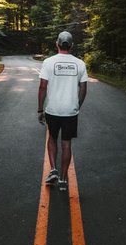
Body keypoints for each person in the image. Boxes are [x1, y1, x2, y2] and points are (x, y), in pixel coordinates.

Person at [37, 31, 88, 191]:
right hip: (70, 111)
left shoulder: (48, 62)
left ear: (57, 44)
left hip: (53, 109)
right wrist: (76, 106)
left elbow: (42, 87)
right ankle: (63, 180)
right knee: (66, 143)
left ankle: (53, 169)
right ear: (71, 45)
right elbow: (84, 89)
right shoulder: (80, 63)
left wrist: (40, 109)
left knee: (52, 137)